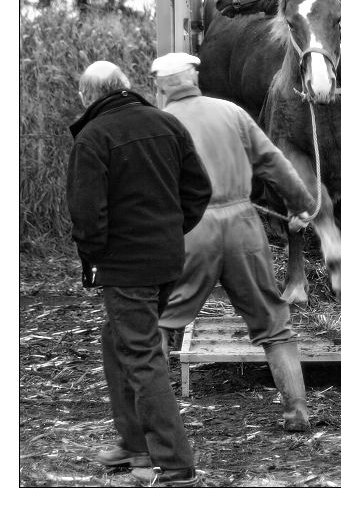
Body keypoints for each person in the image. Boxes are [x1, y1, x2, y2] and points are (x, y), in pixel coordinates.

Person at [150, 52, 316, 434]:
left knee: (161, 321)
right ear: (195, 77)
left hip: (191, 229)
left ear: (161, 86)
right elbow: (273, 162)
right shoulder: (231, 112)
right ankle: (297, 413)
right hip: (244, 225)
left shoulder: (161, 124)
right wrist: (302, 205)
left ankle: (158, 422)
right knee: (274, 324)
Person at [66, 61, 212, 487]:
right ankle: (134, 443)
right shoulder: (167, 124)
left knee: (143, 355)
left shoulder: (93, 137)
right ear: (126, 87)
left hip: (126, 268)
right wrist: (168, 233)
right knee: (117, 341)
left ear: (86, 96)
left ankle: (175, 463)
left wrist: (96, 260)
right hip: (167, 261)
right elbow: (198, 191)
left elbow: (86, 214)